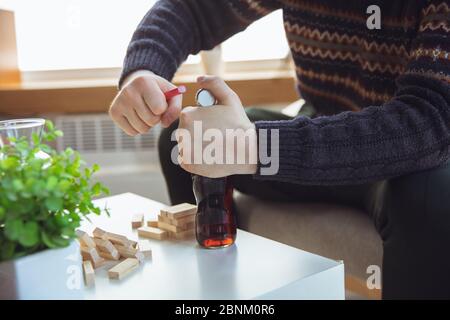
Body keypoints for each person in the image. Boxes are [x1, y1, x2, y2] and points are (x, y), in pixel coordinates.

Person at [109, 0, 450, 299]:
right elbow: (193, 9)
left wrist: (259, 147)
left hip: (411, 162)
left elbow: (430, 118)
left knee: (429, 198)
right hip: (325, 126)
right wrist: (143, 69)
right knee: (186, 137)